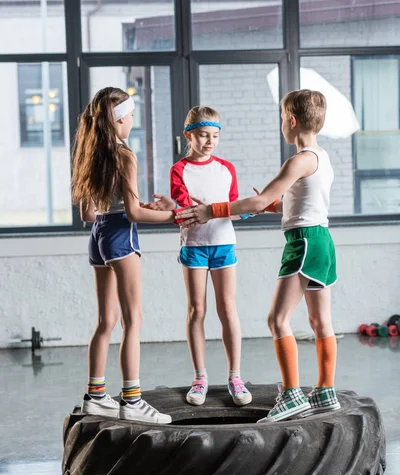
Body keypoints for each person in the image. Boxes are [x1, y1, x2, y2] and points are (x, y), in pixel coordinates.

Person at [177, 90, 341, 422]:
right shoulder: (321, 156)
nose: (283, 124)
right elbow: (293, 202)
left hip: (304, 242)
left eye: (283, 118)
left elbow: (255, 201)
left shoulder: (298, 160)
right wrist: (272, 205)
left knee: (277, 320)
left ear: (291, 121)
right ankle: (325, 391)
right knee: (320, 321)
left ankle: (292, 393)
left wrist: (211, 210)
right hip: (322, 240)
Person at [72, 86, 176, 424]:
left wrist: (138, 205)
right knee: (134, 319)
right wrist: (175, 216)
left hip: (98, 234)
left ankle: (96, 396)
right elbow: (132, 214)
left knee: (106, 321)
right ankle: (132, 401)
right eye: (130, 114)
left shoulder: (92, 153)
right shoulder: (125, 155)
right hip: (120, 236)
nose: (132, 120)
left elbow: (90, 214)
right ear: (119, 119)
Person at [168, 105, 252, 407]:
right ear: (189, 135)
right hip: (193, 246)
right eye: (203, 135)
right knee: (196, 310)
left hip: (224, 244)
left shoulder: (226, 168)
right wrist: (184, 210)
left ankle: (235, 376)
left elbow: (233, 207)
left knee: (228, 309)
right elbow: (184, 209)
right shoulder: (179, 170)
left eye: (215, 136)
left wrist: (249, 209)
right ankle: (200, 377)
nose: (209, 141)